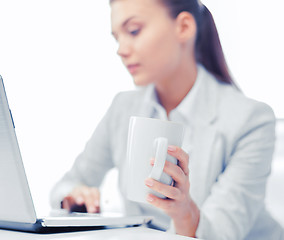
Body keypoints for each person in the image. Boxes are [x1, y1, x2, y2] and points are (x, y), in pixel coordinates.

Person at [50, 0, 284, 239]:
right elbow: (67, 184)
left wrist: (184, 211)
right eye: (117, 37)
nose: (120, 49)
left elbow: (221, 233)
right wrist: (74, 196)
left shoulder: (251, 120)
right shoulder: (123, 107)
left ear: (183, 27)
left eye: (133, 31)